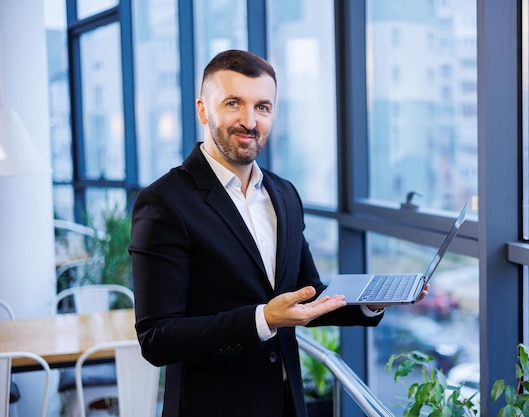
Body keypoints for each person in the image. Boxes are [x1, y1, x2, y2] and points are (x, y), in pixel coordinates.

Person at [129, 49, 428, 417]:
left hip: (287, 404)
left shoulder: (284, 194)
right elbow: (157, 339)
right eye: (233, 103)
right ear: (203, 110)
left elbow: (306, 293)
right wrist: (264, 318)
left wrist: (372, 300)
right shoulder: (164, 202)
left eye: (263, 107)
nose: (249, 121)